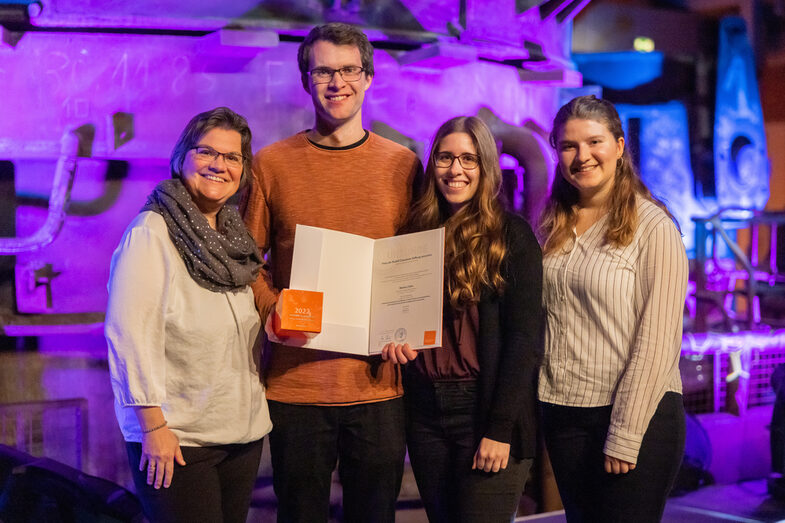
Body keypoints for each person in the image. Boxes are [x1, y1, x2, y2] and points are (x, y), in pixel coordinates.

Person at [241, 23, 422, 523]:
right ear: (306, 79)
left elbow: (416, 263)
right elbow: (246, 260)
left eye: (348, 70)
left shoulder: (404, 166)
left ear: (368, 77)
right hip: (296, 385)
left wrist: (411, 323)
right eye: (323, 70)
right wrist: (272, 304)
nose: (336, 81)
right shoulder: (271, 165)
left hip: (379, 383)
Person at [106, 107, 271, 523]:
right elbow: (129, 335)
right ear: (181, 157)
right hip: (178, 440)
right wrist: (152, 428)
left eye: (233, 157)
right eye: (206, 152)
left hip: (239, 434)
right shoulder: (151, 233)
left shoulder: (234, 241)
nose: (219, 165)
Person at [382, 116, 544, 523]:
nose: (456, 170)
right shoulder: (415, 237)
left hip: (485, 409)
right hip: (426, 415)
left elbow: (524, 341)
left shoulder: (513, 235)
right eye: (445, 157)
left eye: (468, 159)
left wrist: (499, 428)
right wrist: (396, 344)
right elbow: (400, 321)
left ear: (486, 167)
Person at [537, 95, 688, 522]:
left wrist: (625, 432)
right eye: (569, 146)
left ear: (620, 147)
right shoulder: (552, 224)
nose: (582, 156)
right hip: (564, 415)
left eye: (594, 142)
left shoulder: (654, 226)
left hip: (633, 419)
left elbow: (658, 341)